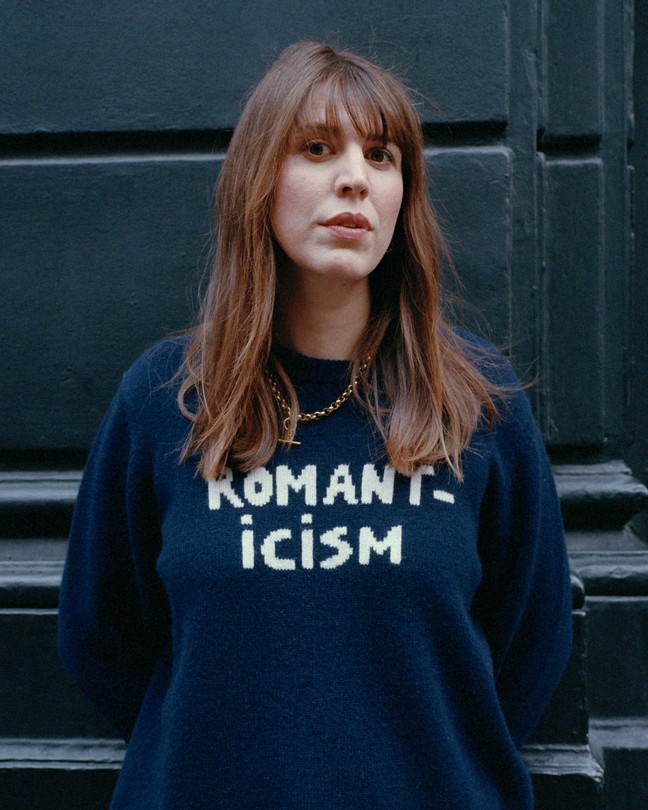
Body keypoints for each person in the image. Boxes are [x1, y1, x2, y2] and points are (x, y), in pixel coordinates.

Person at [58, 41, 573, 809]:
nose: (355, 179)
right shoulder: (166, 399)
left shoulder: (480, 402)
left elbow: (530, 641)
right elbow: (103, 635)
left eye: (383, 155)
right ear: (260, 180)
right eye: (317, 148)